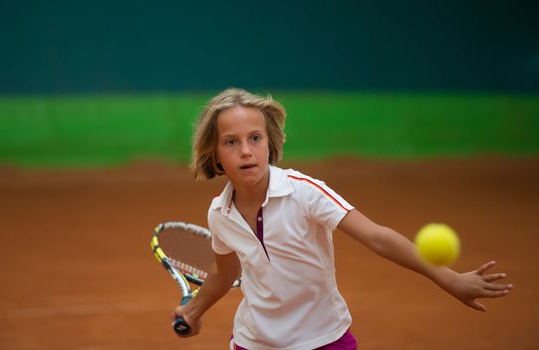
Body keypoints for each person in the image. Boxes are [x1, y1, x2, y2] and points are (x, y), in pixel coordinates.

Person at [174, 88, 512, 350]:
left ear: (269, 144)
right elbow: (225, 270)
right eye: (231, 142)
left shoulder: (304, 192)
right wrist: (194, 310)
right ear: (214, 155)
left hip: (324, 337)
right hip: (254, 341)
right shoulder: (220, 212)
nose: (246, 150)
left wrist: (448, 278)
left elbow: (378, 237)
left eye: (255, 139)